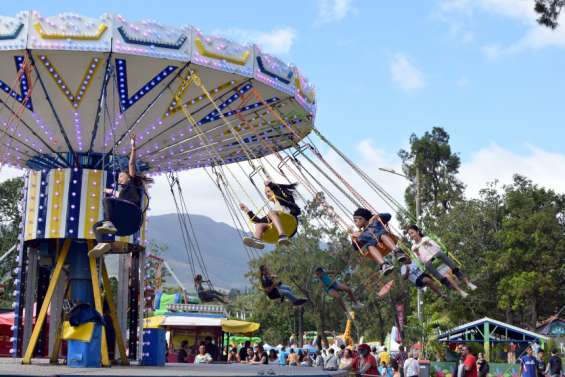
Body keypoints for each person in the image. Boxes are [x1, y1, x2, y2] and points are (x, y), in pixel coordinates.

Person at [89, 133, 153, 257]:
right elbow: (117, 193)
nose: (119, 178)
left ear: (128, 177)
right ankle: (103, 244)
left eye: (121, 176)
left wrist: (133, 148)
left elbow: (131, 165)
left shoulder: (133, 183)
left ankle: (109, 224)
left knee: (107, 201)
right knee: (96, 225)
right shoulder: (123, 192)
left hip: (132, 214)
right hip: (123, 222)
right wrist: (107, 190)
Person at [408, 225, 477, 298]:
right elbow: (420, 261)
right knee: (431, 267)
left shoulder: (426, 238)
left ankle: (468, 283)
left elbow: (438, 247)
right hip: (431, 263)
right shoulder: (413, 247)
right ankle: (459, 291)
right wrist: (417, 253)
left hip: (437, 256)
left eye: (412, 233)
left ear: (418, 231)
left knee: (441, 255)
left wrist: (429, 244)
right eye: (410, 234)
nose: (411, 235)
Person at [240, 181, 301, 248]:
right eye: (265, 193)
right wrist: (247, 210)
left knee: (271, 212)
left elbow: (278, 189)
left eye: (268, 192)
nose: (267, 194)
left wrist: (270, 184)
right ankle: (257, 239)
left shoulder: (284, 200)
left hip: (289, 221)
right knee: (259, 225)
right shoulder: (273, 213)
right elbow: (259, 220)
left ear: (274, 190)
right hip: (278, 226)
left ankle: (282, 235)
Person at [350, 208, 406, 275]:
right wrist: (354, 239)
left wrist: (378, 215)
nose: (355, 224)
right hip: (376, 249)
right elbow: (356, 248)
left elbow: (388, 216)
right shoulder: (361, 235)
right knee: (369, 246)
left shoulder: (375, 221)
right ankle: (383, 264)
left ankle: (397, 251)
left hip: (384, 238)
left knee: (382, 235)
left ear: (362, 218)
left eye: (356, 221)